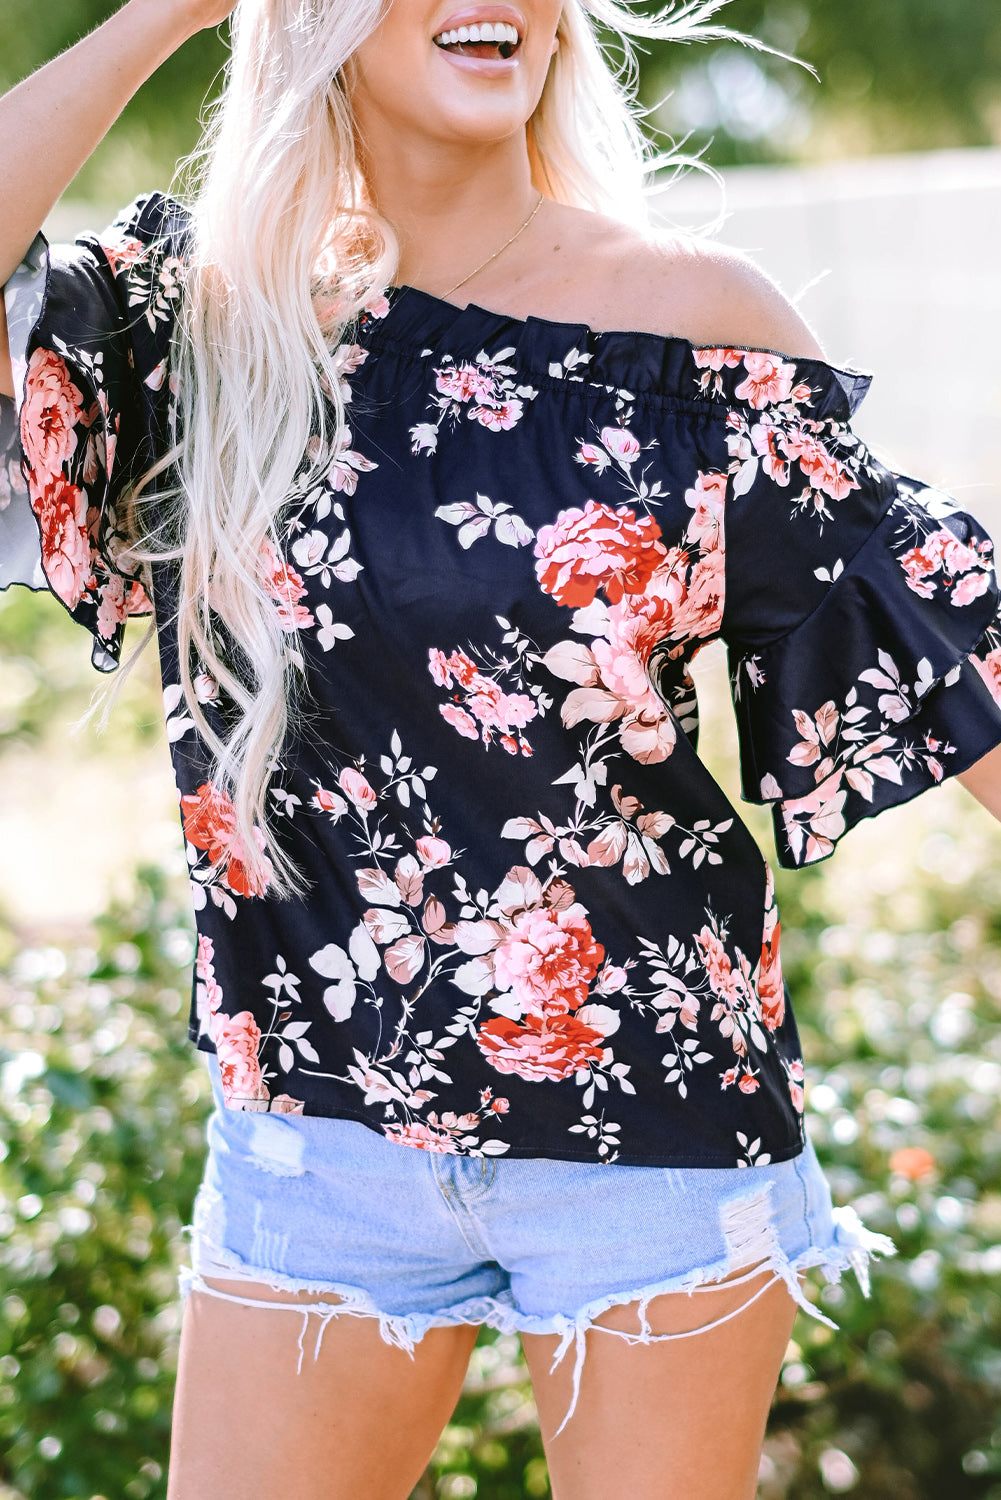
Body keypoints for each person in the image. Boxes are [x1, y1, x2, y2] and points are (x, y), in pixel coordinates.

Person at [3, 0, 1001, 1495]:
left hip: (649, 1132)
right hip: (318, 1139)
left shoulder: (685, 325)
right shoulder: (211, 329)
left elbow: (940, 637)